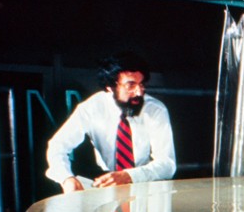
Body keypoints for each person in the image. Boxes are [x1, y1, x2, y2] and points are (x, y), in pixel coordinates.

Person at [46, 51, 176, 193]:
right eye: (130, 85)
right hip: (104, 183)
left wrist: (128, 176)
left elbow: (167, 164)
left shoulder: (155, 110)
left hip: (145, 184)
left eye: (142, 84)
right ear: (110, 87)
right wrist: (66, 178)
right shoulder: (90, 108)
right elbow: (57, 146)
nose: (139, 92)